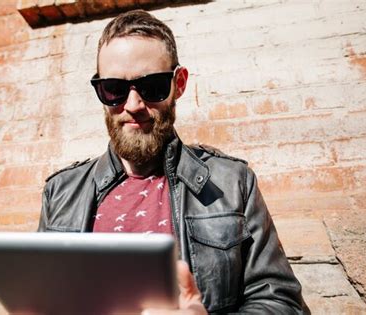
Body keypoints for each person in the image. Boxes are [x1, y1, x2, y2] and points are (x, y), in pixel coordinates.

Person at [38, 9, 309, 314]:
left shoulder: (232, 183)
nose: (133, 105)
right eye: (113, 88)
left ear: (179, 83)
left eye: (152, 86)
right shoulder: (60, 192)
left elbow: (283, 303)